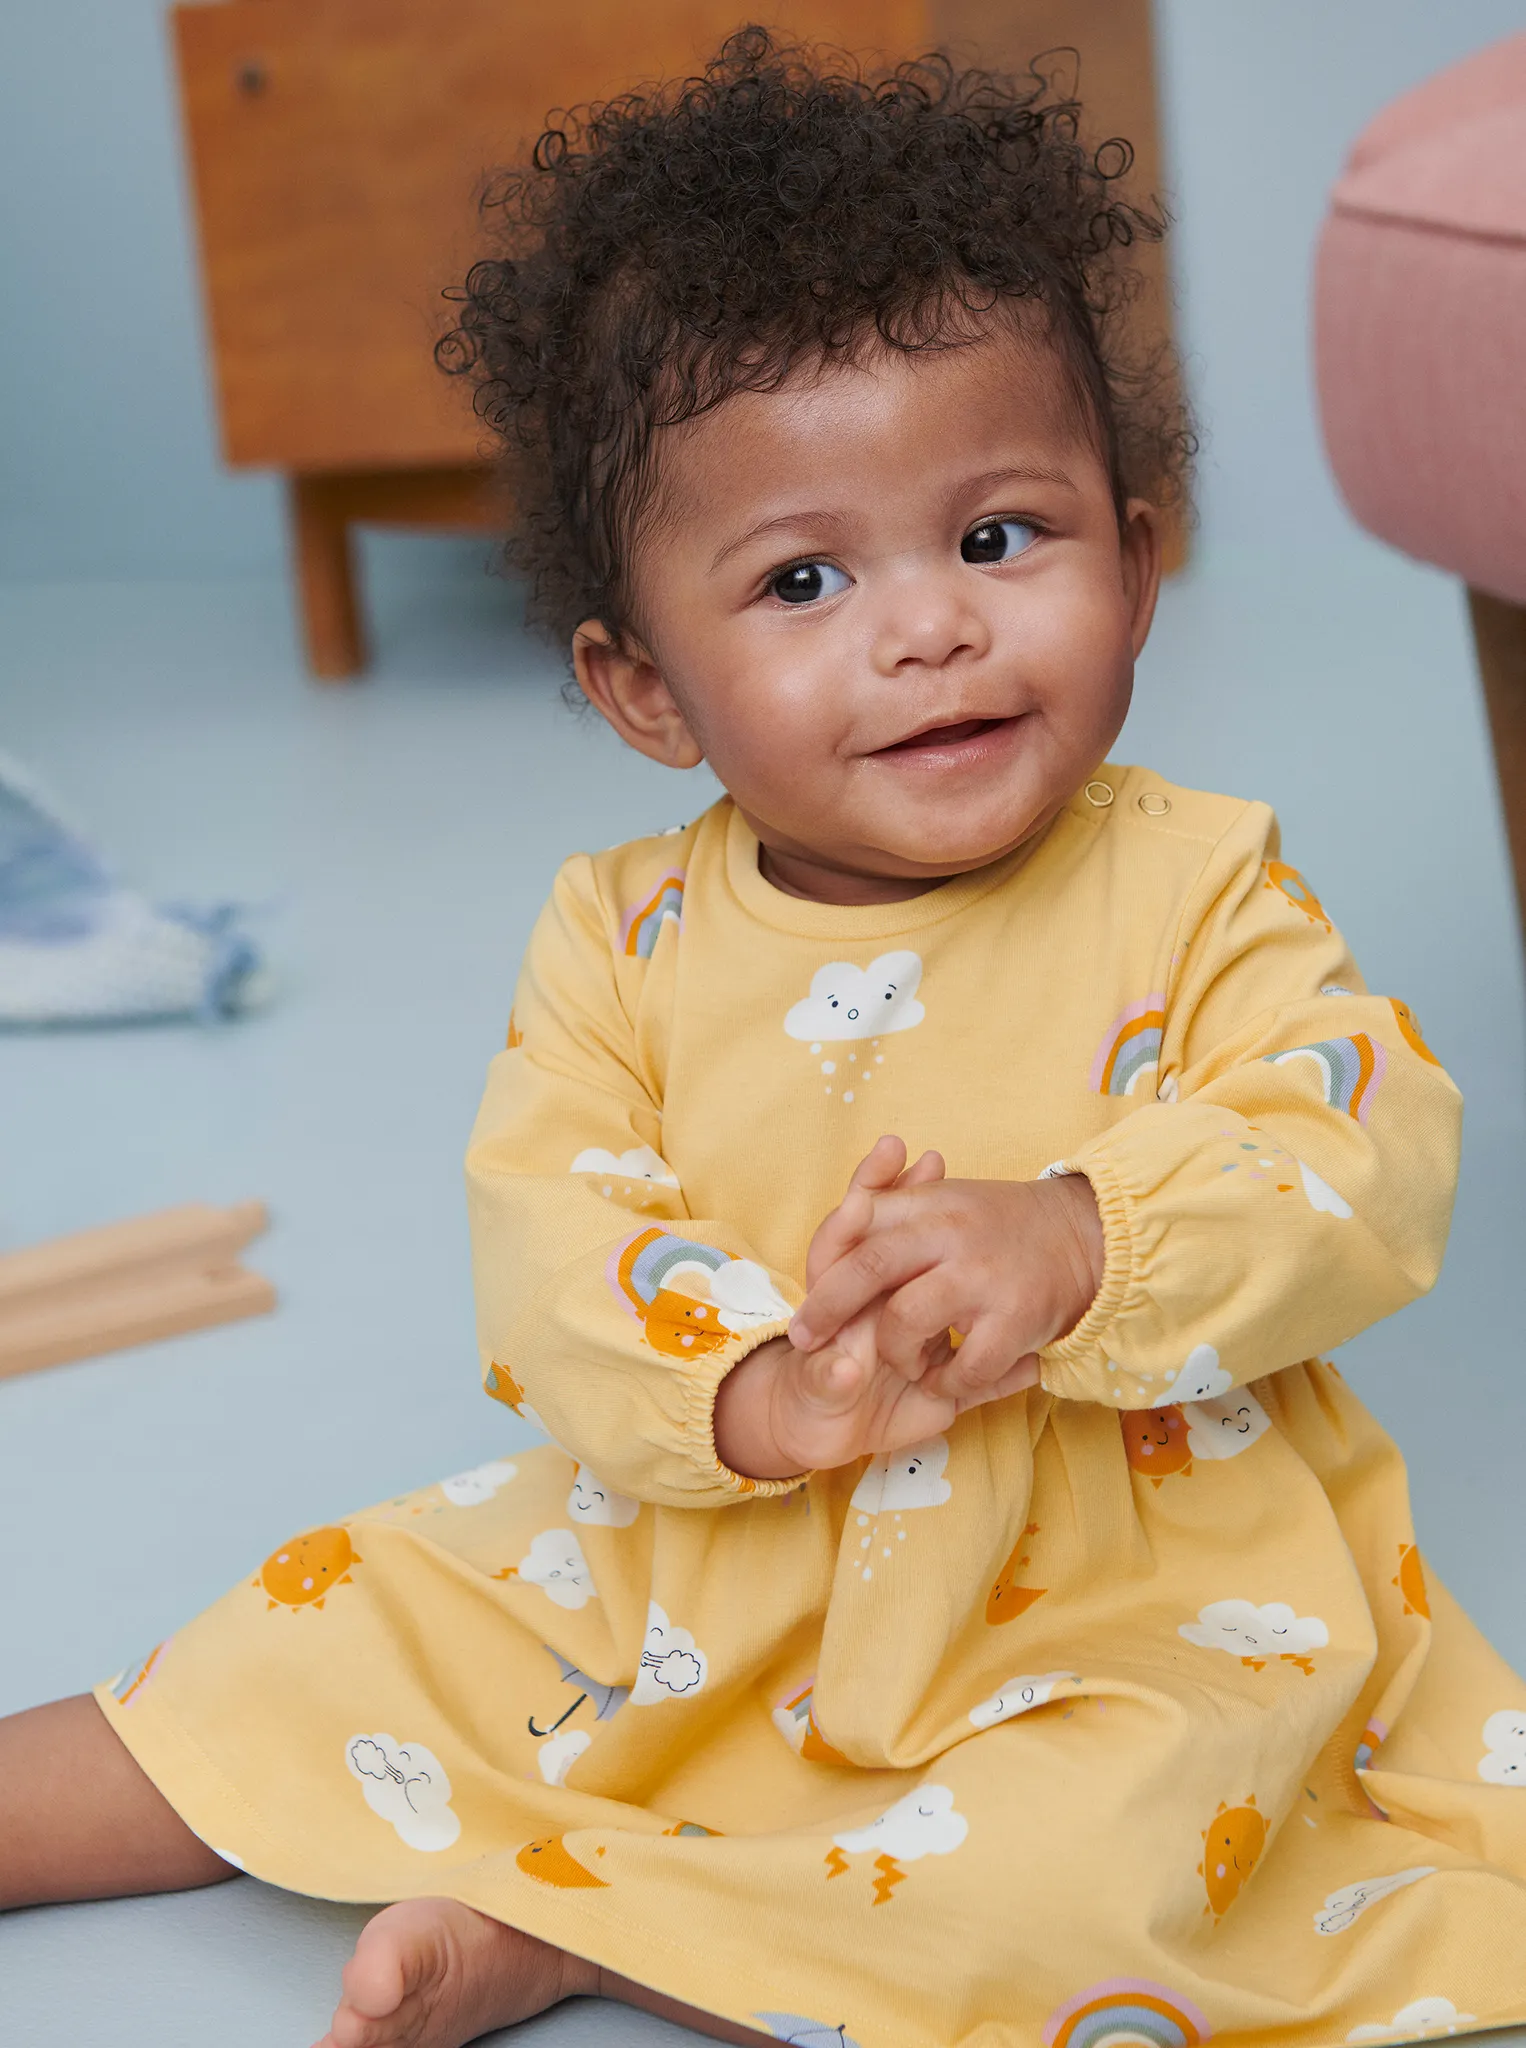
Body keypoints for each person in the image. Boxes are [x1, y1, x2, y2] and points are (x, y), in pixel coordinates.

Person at [4, 28, 1523, 2048]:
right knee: (341, 1619)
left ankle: (587, 1929)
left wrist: (1082, 1234)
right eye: (802, 577)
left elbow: (1364, 1142)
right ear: (645, 688)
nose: (926, 628)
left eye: (999, 536)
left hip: (1119, 1591)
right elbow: (552, 1223)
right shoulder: (616, 935)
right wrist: (743, 1395)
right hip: (720, 1537)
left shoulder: (1198, 883)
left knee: (1092, 1864)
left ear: (1137, 557)